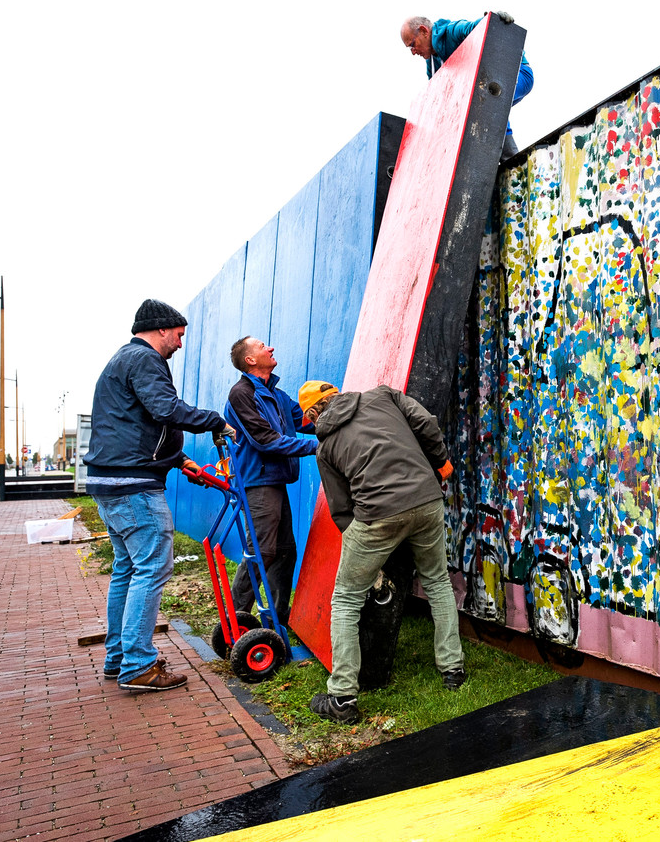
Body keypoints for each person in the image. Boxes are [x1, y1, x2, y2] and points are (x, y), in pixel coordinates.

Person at [85, 299, 235, 692]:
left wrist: (179, 460)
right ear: (162, 328)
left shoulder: (123, 360)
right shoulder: (145, 359)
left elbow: (136, 424)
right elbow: (165, 409)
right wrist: (214, 421)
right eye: (179, 335)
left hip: (111, 484)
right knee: (151, 568)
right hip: (134, 488)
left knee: (128, 570)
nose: (181, 344)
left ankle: (119, 658)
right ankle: (138, 666)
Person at [300, 380, 463, 724]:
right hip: (427, 499)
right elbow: (427, 423)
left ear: (313, 414)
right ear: (337, 394)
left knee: (346, 600)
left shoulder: (325, 448)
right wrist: (441, 461)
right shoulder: (383, 396)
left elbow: (341, 507)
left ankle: (342, 697)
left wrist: (362, 547)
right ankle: (453, 669)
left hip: (377, 516)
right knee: (437, 581)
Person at [223, 336, 318, 627]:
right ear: (250, 360)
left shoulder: (276, 394)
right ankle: (235, 623)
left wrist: (339, 421)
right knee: (262, 551)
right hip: (258, 481)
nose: (271, 348)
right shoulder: (241, 394)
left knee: (285, 550)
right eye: (263, 346)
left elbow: (306, 420)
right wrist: (317, 447)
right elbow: (265, 440)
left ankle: (278, 619)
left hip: (275, 480)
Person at [399, 12, 534, 160]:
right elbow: (437, 98)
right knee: (474, 112)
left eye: (412, 45)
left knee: (487, 103)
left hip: (517, 72)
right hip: (489, 87)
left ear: (424, 31)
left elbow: (473, 27)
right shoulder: (432, 65)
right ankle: (493, 161)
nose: (413, 52)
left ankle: (511, 158)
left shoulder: (450, 31)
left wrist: (496, 20)